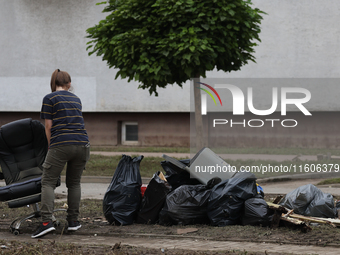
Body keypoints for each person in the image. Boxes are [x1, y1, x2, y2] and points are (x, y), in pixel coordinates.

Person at [32, 69, 90, 238]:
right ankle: (73, 222)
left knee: (48, 182)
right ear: (69, 84)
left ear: (53, 83)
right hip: (83, 144)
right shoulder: (76, 99)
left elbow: (48, 126)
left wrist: (51, 146)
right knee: (74, 183)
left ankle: (46, 223)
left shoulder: (49, 98)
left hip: (62, 144)